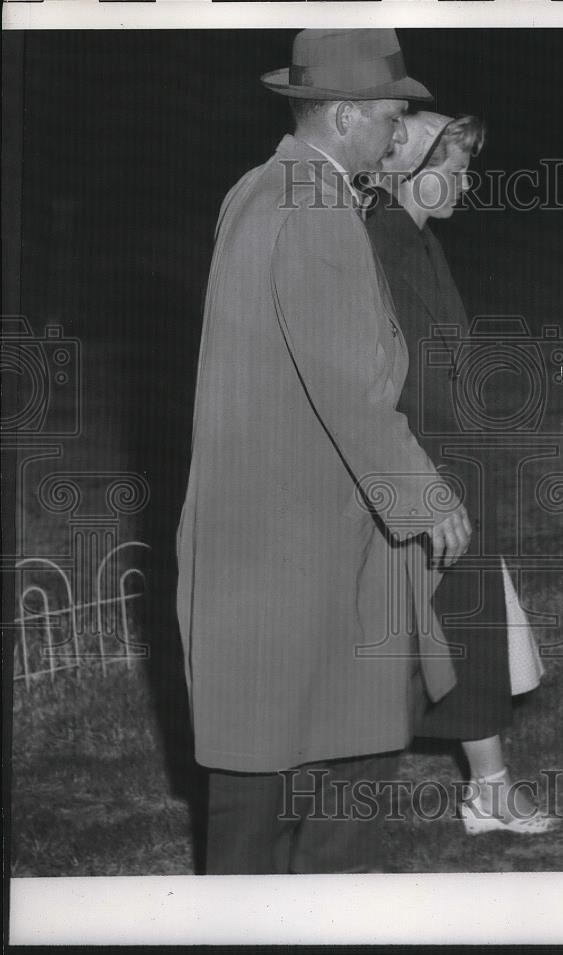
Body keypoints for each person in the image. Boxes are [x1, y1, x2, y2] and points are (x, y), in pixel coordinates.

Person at [176, 31, 472, 875]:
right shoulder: (318, 212)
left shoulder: (260, 189)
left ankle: (242, 953)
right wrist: (427, 499)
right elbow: (349, 385)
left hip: (258, 537)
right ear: (345, 116)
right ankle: (317, 948)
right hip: (307, 540)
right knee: (350, 755)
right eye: (390, 115)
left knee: (258, 769)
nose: (398, 132)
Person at [365, 112, 559, 834]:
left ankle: (488, 788)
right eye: (456, 166)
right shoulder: (380, 242)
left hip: (449, 461)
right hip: (418, 468)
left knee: (459, 630)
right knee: (442, 632)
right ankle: (487, 790)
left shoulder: (415, 239)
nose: (468, 183)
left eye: (470, 168)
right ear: (407, 168)